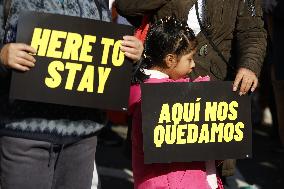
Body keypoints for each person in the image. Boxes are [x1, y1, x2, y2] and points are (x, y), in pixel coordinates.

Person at [115, 0, 267, 178]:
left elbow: (253, 32)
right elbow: (126, 6)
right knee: (161, 172)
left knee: (209, 172)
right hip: (164, 87)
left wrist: (249, 66)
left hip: (213, 92)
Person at [0, 0, 143, 188]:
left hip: (82, 140)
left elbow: (107, 68)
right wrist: (2, 56)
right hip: (24, 137)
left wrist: (132, 58)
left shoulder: (98, 4)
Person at [128, 16, 223, 189]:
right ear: (170, 60)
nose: (194, 64)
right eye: (189, 59)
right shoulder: (158, 98)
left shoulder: (146, 90)